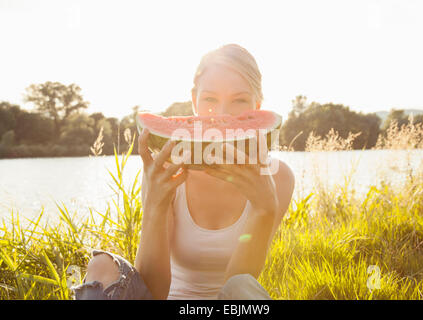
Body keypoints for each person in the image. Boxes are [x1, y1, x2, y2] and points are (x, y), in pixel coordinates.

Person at [73, 43, 295, 300]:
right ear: (194, 101)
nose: (221, 115)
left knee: (245, 290)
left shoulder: (277, 178)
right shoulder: (166, 173)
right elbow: (151, 293)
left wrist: (264, 208)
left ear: (257, 106)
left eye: (240, 100)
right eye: (210, 99)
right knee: (100, 265)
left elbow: (238, 287)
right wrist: (155, 204)